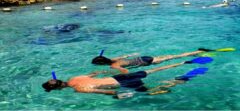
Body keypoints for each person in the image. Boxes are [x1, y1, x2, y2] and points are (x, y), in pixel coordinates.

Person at [42, 61, 185, 95]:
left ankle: (178, 81)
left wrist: (117, 95)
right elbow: (94, 74)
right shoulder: (75, 78)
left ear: (59, 88)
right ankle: (181, 62)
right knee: (152, 70)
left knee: (150, 91)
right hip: (118, 76)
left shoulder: (79, 89)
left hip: (123, 84)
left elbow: (107, 92)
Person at [92, 49, 206, 74]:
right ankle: (194, 52)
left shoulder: (114, 66)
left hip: (147, 62)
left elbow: (125, 71)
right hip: (144, 57)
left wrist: (108, 73)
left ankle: (195, 52)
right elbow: (125, 56)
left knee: (174, 57)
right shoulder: (114, 59)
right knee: (173, 56)